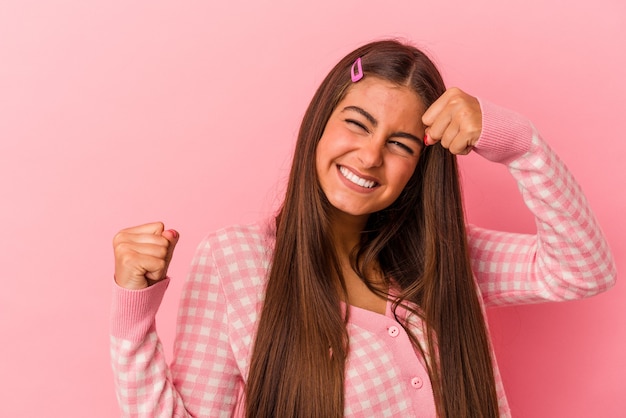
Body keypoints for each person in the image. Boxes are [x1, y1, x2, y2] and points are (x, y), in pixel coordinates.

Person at [110, 40, 616, 417]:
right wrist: (134, 316)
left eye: (401, 144)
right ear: (321, 123)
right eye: (357, 122)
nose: (370, 156)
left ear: (421, 166)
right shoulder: (235, 263)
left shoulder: (445, 256)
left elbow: (584, 269)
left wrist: (519, 145)